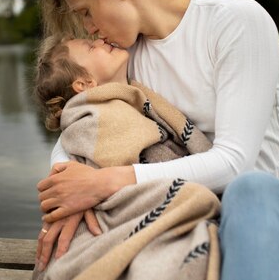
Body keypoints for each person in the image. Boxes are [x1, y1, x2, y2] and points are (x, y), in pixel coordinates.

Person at [35, 0, 279, 280]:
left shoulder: (235, 22)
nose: (88, 28)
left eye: (86, 12)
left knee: (252, 188)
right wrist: (72, 186)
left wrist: (104, 183)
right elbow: (79, 127)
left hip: (267, 219)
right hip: (180, 222)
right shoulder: (124, 57)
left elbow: (235, 164)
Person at [32, 34, 220, 280]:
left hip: (140, 194)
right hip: (126, 209)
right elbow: (103, 156)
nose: (100, 40)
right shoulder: (91, 118)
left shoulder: (136, 98)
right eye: (91, 46)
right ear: (84, 83)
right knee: (193, 201)